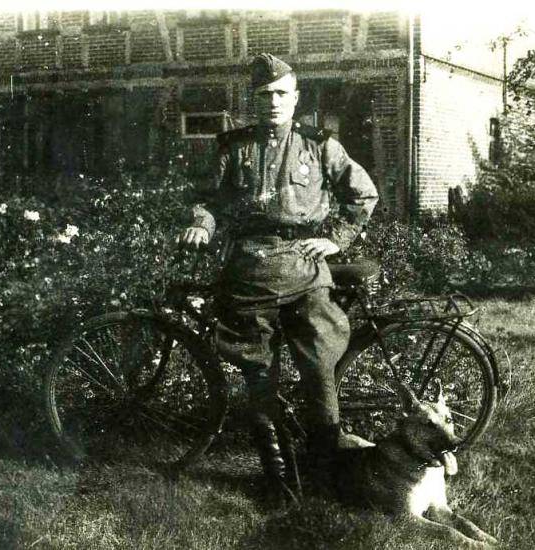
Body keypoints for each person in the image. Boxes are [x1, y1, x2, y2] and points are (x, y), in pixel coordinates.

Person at [178, 53, 378, 503]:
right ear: (252, 99)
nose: (273, 102)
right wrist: (201, 225)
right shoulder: (232, 148)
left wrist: (336, 240)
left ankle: (324, 477)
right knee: (258, 375)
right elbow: (208, 199)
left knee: (320, 368)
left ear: (296, 98)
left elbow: (363, 193)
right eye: (264, 94)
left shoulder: (319, 145)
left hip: (305, 270)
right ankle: (279, 481)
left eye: (281, 94)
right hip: (249, 272)